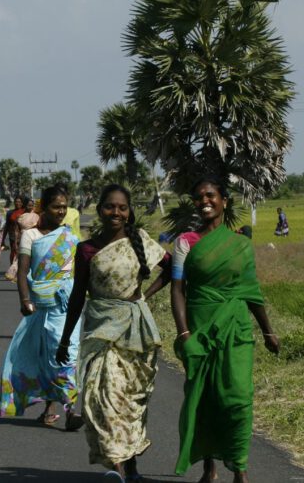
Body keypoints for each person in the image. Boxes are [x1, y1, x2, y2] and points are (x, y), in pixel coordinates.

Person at [57, 184, 171, 481]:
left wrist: (143, 295)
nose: (116, 212)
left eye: (122, 207)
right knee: (100, 399)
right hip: (100, 332)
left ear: (129, 211)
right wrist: (66, 338)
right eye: (110, 206)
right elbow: (78, 296)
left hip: (135, 333)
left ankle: (130, 466)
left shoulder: (140, 243)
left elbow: (170, 268)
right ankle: (116, 469)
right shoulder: (87, 249)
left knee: (129, 403)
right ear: (99, 209)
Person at [170, 177, 280, 483]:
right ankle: (209, 467)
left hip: (236, 329)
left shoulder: (241, 245)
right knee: (206, 398)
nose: (205, 200)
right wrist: (184, 334)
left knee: (238, 398)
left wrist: (268, 331)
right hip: (200, 328)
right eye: (199, 197)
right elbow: (178, 290)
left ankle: (240, 467)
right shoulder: (185, 243)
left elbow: (251, 291)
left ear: (224, 200)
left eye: (211, 195)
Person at [0, 185, 83, 430]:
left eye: (64, 207)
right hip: (40, 307)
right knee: (48, 358)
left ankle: (71, 411)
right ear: (43, 207)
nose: (60, 211)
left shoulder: (69, 236)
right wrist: (25, 301)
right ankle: (50, 408)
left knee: (67, 354)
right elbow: (23, 272)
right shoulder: (31, 236)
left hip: (66, 307)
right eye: (56, 206)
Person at [4, 198, 35, 281]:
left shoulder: (36, 215)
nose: (30, 207)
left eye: (32, 205)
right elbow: (15, 229)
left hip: (34, 239)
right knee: (20, 256)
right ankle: (16, 273)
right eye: (29, 205)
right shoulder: (19, 216)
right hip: (21, 238)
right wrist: (15, 241)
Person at [1, 196, 25, 265]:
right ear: (14, 203)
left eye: (19, 202)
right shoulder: (10, 213)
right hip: (13, 236)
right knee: (14, 251)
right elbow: (7, 226)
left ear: (22, 203)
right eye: (16, 202)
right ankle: (12, 267)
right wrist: (3, 240)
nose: (17, 203)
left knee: (23, 252)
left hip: (24, 235)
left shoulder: (25, 212)